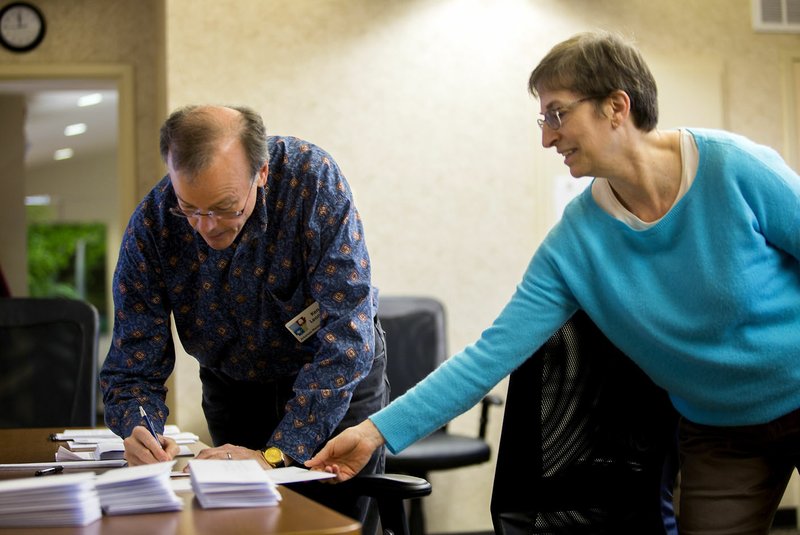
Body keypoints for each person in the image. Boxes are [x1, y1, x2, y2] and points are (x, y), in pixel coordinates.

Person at [306, 30, 800, 534]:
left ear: (616, 106)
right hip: (720, 432)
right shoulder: (576, 244)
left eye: (558, 114)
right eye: (544, 119)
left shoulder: (733, 168)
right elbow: (489, 356)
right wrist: (374, 432)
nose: (547, 137)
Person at [99, 104, 388, 529]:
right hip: (233, 385)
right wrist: (139, 429)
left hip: (331, 378)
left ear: (262, 173)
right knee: (243, 519)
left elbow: (348, 333)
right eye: (190, 208)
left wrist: (276, 455)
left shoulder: (311, 181)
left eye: (225, 207)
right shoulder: (153, 224)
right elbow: (132, 365)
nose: (207, 227)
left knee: (332, 524)